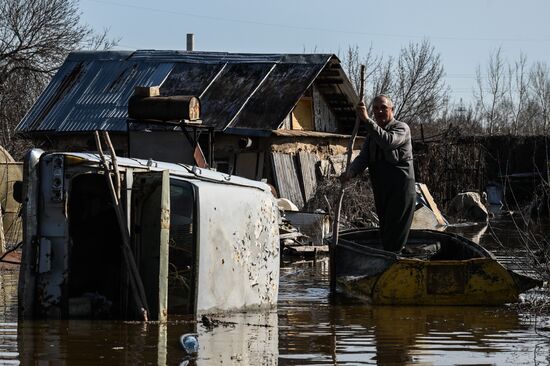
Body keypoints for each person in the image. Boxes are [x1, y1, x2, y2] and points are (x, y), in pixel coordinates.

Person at [342, 95, 415, 252]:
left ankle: (395, 263)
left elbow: (388, 142)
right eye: (375, 109)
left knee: (395, 234)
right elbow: (363, 158)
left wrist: (367, 121)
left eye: (384, 108)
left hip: (400, 191)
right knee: (386, 232)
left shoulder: (401, 128)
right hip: (382, 190)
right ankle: (390, 262)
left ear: (392, 110)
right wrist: (350, 172)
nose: (379, 111)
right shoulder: (372, 136)